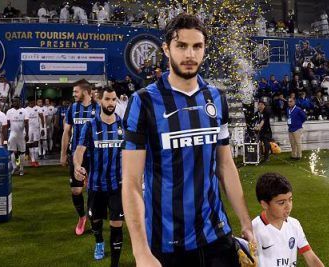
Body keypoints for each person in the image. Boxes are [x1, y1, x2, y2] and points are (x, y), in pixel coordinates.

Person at [122, 13, 255, 267]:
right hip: (167, 244)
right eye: (181, 46)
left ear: (205, 49)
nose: (190, 54)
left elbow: (225, 165)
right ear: (166, 48)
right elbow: (130, 182)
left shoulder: (216, 98)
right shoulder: (144, 102)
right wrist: (141, 252)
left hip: (217, 236)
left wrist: (245, 221)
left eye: (197, 46)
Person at [73, 87, 124, 265]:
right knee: (96, 220)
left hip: (118, 185)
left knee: (117, 224)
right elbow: (79, 150)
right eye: (108, 99)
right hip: (95, 184)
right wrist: (78, 166)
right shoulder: (90, 126)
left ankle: (115, 264)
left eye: (114, 99)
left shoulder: (123, 125)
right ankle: (99, 242)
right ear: (100, 100)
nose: (111, 103)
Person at [252, 173, 325, 267]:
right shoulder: (254, 230)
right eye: (281, 203)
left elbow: (311, 258)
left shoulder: (294, 224)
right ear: (265, 204)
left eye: (290, 200)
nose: (288, 206)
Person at [60, 79, 101, 236]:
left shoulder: (98, 107)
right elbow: (66, 131)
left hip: (95, 155)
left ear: (85, 91)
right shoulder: (73, 108)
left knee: (93, 189)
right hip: (77, 155)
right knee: (76, 190)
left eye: (76, 91)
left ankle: (93, 218)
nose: (73, 94)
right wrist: (63, 154)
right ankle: (82, 217)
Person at [6, 97, 29, 176]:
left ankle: (21, 168)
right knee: (11, 150)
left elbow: (26, 123)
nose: (15, 102)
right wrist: (6, 135)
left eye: (17, 101)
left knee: (22, 152)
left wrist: (27, 134)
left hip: (22, 133)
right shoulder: (9, 111)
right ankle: (15, 167)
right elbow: (8, 124)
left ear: (20, 102)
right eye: (14, 101)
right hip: (12, 133)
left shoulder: (24, 111)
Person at [24, 97, 44, 167]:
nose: (33, 103)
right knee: (30, 144)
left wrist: (43, 128)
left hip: (36, 128)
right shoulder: (25, 110)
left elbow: (42, 118)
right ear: (29, 102)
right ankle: (32, 160)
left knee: (36, 143)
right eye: (32, 102)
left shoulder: (38, 108)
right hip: (29, 129)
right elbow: (25, 121)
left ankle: (36, 160)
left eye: (34, 102)